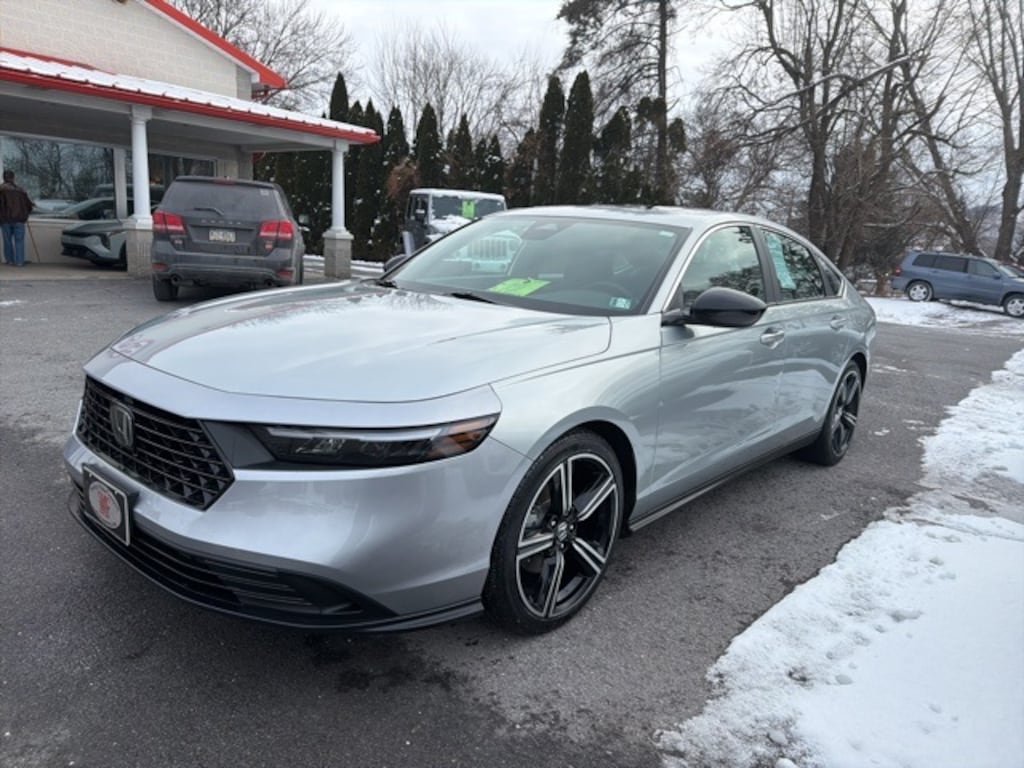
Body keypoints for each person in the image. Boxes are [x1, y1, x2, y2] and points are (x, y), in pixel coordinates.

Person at [0, 170, 35, 267]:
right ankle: (19, 262)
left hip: (5, 220)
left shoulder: (1, 190)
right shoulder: (21, 190)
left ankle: (10, 260)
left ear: (4, 178)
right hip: (19, 220)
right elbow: (29, 206)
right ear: (13, 178)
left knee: (7, 242)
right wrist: (25, 214)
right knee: (19, 241)